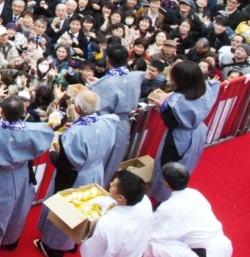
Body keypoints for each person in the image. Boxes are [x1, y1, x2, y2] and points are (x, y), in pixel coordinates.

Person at [35, 90, 121, 257]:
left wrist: (53, 148)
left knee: (67, 211)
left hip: (76, 175)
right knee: (86, 207)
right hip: (95, 169)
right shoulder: (108, 122)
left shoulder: (74, 133)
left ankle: (55, 247)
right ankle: (74, 242)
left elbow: (63, 164)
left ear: (77, 108)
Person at [0, 96, 55, 257]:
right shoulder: (35, 130)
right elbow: (48, 136)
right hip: (22, 173)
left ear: (1, 112)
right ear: (24, 111)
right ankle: (11, 241)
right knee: (19, 209)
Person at [147, 61, 220, 202]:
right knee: (186, 165)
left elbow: (170, 121)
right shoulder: (205, 88)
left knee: (167, 168)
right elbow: (213, 85)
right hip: (198, 132)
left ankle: (163, 198)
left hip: (179, 138)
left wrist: (163, 104)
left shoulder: (178, 102)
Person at [146, 162, 232, 257]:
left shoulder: (168, 207)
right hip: (224, 245)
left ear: (165, 182)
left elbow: (153, 231)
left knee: (151, 244)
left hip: (205, 253)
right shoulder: (196, 194)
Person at [91, 43, 146, 185]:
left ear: (107, 59)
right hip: (123, 124)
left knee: (98, 162)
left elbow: (97, 107)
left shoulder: (105, 83)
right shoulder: (134, 77)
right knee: (112, 162)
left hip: (105, 125)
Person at [79, 170, 152, 257]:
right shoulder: (144, 201)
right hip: (136, 249)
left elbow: (91, 252)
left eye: (113, 185)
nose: (110, 184)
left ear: (121, 197)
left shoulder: (107, 224)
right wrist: (113, 201)